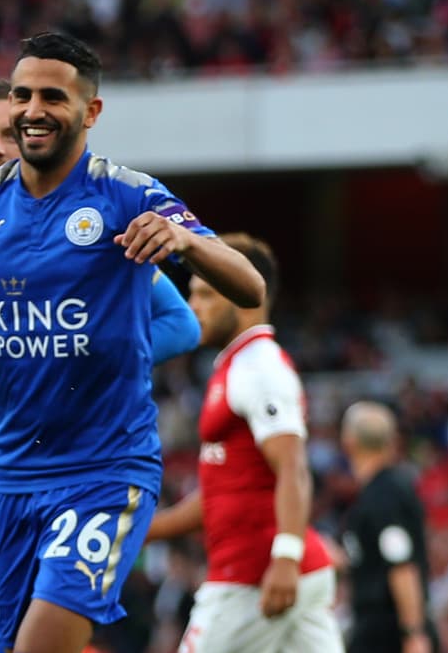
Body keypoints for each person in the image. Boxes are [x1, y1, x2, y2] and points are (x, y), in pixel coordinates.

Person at [0, 31, 265, 653]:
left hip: (104, 471)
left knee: (41, 644)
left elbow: (248, 286)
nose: (31, 110)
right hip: (11, 476)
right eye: (23, 95)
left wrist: (186, 241)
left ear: (91, 110)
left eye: (53, 96)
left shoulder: (128, 194)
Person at [145, 233, 343, 652]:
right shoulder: (235, 366)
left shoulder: (260, 367)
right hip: (281, 572)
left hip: (253, 577)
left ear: (241, 291)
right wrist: (141, 531)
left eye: (205, 294)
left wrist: (285, 558)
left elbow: (292, 465)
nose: (192, 306)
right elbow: (219, 495)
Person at [340, 401, 438, 653]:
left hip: (389, 631)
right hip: (380, 627)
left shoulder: (385, 494)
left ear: (348, 441)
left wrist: (413, 634)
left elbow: (402, 565)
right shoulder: (379, 491)